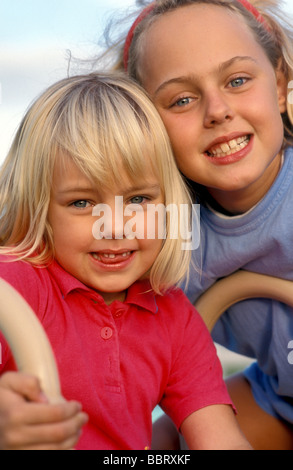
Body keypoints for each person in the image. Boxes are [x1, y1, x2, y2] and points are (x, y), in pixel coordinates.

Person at [0, 73, 252, 450]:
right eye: (82, 203)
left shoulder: (173, 317)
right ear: (38, 208)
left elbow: (220, 440)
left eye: (137, 200)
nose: (114, 228)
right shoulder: (13, 287)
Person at [101, 0, 293, 449]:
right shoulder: (165, 232)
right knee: (159, 441)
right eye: (181, 99)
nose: (217, 110)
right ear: (146, 126)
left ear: (281, 84)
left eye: (238, 80)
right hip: (278, 400)